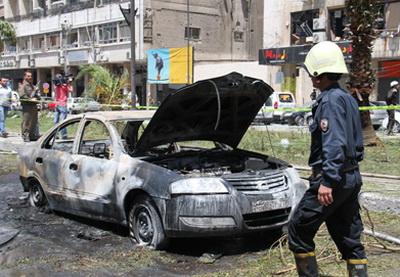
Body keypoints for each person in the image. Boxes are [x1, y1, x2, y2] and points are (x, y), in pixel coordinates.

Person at [288, 41, 367, 277]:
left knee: (299, 230)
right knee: (349, 238)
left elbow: (334, 143)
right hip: (351, 177)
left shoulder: (330, 101)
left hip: (335, 179)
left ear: (317, 74)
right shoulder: (346, 97)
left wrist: (328, 181)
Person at [18, 71, 40, 142]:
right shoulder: (23, 85)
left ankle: (32, 135)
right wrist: (30, 99)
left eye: (31, 76)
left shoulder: (31, 85)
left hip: (33, 105)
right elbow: (22, 95)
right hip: (27, 106)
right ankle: (25, 135)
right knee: (27, 121)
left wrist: (37, 93)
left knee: (33, 121)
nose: (30, 77)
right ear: (25, 77)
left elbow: (34, 95)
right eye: (28, 76)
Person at [53, 74, 72, 139]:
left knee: (56, 120)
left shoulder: (55, 86)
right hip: (62, 104)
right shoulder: (63, 86)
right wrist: (69, 83)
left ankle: (55, 135)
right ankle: (64, 135)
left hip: (57, 104)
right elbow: (71, 90)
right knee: (63, 121)